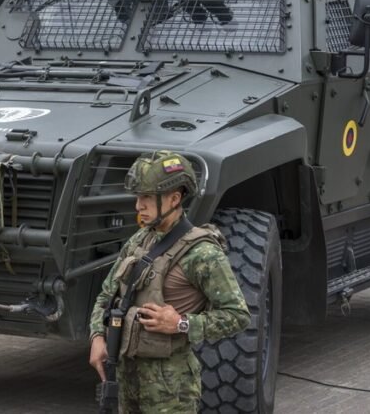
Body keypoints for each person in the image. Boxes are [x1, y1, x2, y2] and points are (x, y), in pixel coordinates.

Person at [88, 150, 249, 412]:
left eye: (147, 198)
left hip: (171, 388)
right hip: (126, 379)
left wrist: (182, 323)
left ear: (174, 199)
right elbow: (106, 296)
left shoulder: (203, 253)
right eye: (138, 197)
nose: (138, 206)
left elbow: (237, 315)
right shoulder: (139, 241)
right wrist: (97, 336)